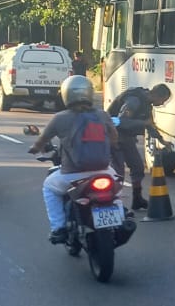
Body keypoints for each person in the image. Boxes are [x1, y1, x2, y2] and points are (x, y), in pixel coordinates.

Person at [30, 75, 120, 243]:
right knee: (116, 188)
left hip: (72, 174)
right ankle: (121, 215)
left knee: (49, 188)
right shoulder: (102, 115)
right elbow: (114, 138)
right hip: (103, 170)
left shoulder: (60, 118)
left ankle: (58, 228)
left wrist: (34, 149)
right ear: (89, 92)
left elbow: (42, 140)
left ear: (66, 94)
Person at [106, 82, 171, 210]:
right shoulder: (134, 101)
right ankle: (114, 202)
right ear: (156, 95)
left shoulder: (147, 105)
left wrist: (162, 141)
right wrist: (142, 123)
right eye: (162, 101)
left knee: (137, 167)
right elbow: (120, 121)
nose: (162, 104)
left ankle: (137, 199)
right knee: (118, 172)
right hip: (113, 137)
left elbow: (149, 125)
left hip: (127, 138)